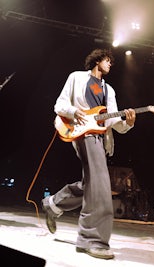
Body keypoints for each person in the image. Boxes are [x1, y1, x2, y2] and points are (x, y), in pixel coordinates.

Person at [41, 48, 136, 259]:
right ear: (97, 60)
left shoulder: (108, 90)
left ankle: (54, 204)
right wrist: (74, 111)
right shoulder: (76, 77)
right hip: (82, 133)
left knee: (92, 184)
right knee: (101, 184)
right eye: (108, 60)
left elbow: (111, 121)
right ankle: (91, 239)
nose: (110, 64)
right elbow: (60, 104)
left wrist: (127, 123)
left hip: (100, 139)